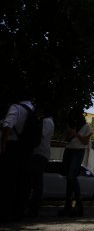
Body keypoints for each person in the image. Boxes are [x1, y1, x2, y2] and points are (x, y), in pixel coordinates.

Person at [0, 88, 35, 222]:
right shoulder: (33, 111)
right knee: (23, 180)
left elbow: (8, 125)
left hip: (13, 146)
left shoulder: (16, 108)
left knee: (8, 179)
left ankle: (5, 211)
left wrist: (3, 143)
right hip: (27, 150)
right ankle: (19, 210)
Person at [58, 109, 92, 217]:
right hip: (68, 150)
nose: (74, 119)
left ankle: (78, 202)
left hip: (78, 151)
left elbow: (85, 141)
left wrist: (76, 134)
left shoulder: (87, 126)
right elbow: (65, 138)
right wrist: (68, 134)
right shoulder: (71, 125)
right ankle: (68, 207)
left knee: (71, 176)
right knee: (69, 177)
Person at [25, 107, 54, 217]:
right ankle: (32, 206)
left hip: (40, 153)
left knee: (35, 182)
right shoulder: (48, 121)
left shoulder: (47, 121)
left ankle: (34, 208)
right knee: (35, 181)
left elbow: (40, 134)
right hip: (40, 153)